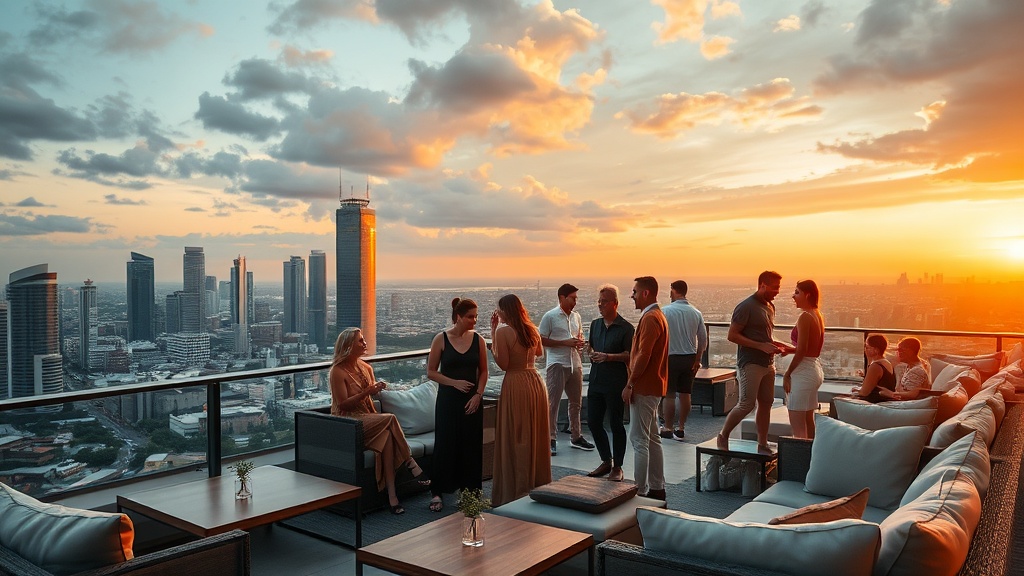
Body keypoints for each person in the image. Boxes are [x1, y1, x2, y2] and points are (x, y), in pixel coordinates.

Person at [329, 327, 429, 515]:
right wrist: (368, 391)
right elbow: (343, 405)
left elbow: (369, 404)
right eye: (360, 340)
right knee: (390, 418)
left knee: (388, 442)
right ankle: (410, 462)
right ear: (348, 346)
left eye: (363, 339)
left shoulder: (366, 368)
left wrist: (375, 395)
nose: (364, 343)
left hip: (367, 419)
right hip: (348, 423)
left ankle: (392, 497)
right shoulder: (337, 372)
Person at [425, 298, 488, 512]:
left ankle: (470, 492)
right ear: (458, 317)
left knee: (471, 446)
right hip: (448, 401)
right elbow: (431, 372)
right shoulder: (441, 339)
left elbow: (484, 371)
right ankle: (438, 491)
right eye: (470, 317)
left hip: (472, 400)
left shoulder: (478, 339)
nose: (475, 320)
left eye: (476, 316)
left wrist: (478, 394)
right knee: (445, 444)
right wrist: (454, 383)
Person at [490, 294, 551, 506]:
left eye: (499, 309)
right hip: (534, 380)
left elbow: (504, 364)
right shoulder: (531, 329)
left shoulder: (504, 331)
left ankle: (517, 489)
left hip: (515, 382)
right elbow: (539, 352)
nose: (497, 313)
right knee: (533, 432)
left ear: (505, 311)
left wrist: (493, 336)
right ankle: (537, 482)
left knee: (516, 434)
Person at [717, 271, 789, 452]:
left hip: (768, 363)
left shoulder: (769, 306)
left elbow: (767, 336)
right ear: (762, 285)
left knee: (766, 403)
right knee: (747, 404)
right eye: (775, 287)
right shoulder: (746, 306)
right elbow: (732, 335)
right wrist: (760, 346)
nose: (777, 291)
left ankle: (762, 443)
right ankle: (723, 435)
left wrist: (782, 347)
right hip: (750, 363)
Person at [621, 276, 669, 500]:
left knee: (639, 439)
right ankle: (657, 486)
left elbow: (644, 354)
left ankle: (639, 489)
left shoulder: (650, 318)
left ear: (645, 293)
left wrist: (630, 383)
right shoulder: (658, 315)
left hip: (644, 386)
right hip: (655, 384)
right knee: (651, 438)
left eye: (634, 291)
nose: (632, 296)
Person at [538, 283, 594, 455]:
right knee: (552, 403)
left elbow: (579, 337)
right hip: (557, 363)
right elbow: (541, 339)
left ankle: (576, 436)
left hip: (574, 363)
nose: (575, 301)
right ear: (562, 298)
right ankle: (550, 439)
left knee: (576, 402)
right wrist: (565, 343)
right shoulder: (550, 316)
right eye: (573, 298)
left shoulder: (576, 317)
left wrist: (578, 343)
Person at [585, 284, 634, 482]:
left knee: (616, 424)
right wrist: (591, 353)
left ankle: (618, 466)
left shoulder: (626, 328)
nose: (600, 305)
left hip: (615, 382)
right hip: (596, 380)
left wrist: (608, 357)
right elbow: (591, 347)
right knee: (593, 422)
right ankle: (606, 459)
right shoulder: (595, 325)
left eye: (604, 302)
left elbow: (630, 355)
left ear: (615, 303)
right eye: (599, 301)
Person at [661, 280, 707, 441]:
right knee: (686, 394)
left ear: (673, 291)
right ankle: (681, 428)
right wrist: (698, 359)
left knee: (670, 395)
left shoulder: (665, 311)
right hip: (689, 357)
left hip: (670, 356)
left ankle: (667, 427)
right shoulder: (696, 312)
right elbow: (702, 339)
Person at [782, 280, 825, 439]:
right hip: (813, 370)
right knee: (808, 421)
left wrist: (788, 374)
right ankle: (811, 458)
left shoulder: (805, 317)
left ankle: (799, 461)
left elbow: (801, 351)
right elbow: (808, 349)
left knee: (798, 429)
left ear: (807, 294)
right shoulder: (817, 314)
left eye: (797, 292)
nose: (793, 296)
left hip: (802, 374)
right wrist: (787, 348)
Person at [851, 334, 897, 402]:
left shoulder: (876, 366)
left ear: (876, 350)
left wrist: (856, 390)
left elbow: (864, 392)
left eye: (867, 347)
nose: (865, 350)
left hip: (876, 401)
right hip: (884, 399)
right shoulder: (886, 362)